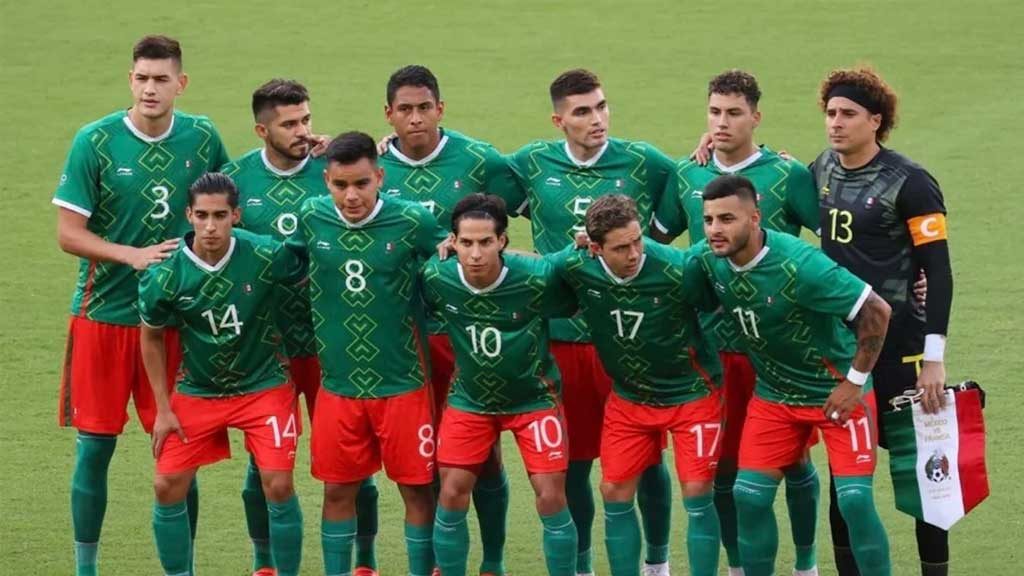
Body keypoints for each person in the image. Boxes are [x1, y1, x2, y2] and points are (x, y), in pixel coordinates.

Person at [52, 34, 229, 576]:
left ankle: (184, 568)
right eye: (142, 78)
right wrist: (130, 255)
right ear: (130, 80)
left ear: (181, 83)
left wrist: (307, 151)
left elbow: (235, 197)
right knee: (94, 447)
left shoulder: (202, 137)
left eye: (161, 79)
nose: (151, 88)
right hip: (103, 317)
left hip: (175, 322)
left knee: (180, 453)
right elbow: (68, 233)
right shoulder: (96, 140)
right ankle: (86, 568)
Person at [504, 68, 677, 576]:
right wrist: (387, 148)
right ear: (559, 120)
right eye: (582, 111)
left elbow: (693, 183)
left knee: (647, 461)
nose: (597, 119)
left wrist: (713, 149)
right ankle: (581, 566)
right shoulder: (532, 162)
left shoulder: (643, 161)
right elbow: (471, 178)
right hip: (563, 341)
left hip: (630, 339)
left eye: (601, 106)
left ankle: (657, 564)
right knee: (574, 463)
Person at [652, 70, 821, 576]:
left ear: (756, 117)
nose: (722, 122)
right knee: (723, 465)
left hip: (780, 347)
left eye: (733, 113)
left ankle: (807, 565)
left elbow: (835, 241)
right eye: (714, 112)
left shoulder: (787, 174)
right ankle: (738, 566)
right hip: (713, 346)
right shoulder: (687, 174)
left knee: (794, 461)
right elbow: (658, 245)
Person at [690, 174, 893, 576]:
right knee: (748, 496)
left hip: (835, 393)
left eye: (727, 219)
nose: (715, 230)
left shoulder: (801, 265)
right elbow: (657, 263)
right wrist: (591, 247)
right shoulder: (708, 260)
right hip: (775, 396)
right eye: (708, 220)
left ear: (755, 218)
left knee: (854, 501)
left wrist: (854, 382)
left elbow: (876, 310)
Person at [221, 79, 380, 576]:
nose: (302, 131)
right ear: (261, 130)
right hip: (267, 348)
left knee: (354, 462)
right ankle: (264, 562)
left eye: (306, 119)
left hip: (335, 342)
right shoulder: (235, 179)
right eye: (289, 123)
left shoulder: (331, 172)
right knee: (262, 465)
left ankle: (365, 560)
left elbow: (377, 200)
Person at [378, 65, 520, 575]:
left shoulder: (479, 159)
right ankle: (443, 562)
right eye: (405, 109)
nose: (416, 118)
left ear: (440, 108)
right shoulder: (374, 168)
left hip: (471, 334)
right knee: (429, 456)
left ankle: (494, 561)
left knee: (485, 454)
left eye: (424, 107)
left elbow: (539, 202)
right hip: (403, 339)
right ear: (389, 114)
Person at [812, 66, 955, 576]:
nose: (835, 123)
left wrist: (933, 360)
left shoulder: (911, 183)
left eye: (848, 114)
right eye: (830, 112)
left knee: (925, 476)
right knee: (845, 482)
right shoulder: (821, 169)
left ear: (876, 120)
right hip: (844, 351)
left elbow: (939, 271)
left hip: (902, 352)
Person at [286, 132, 443, 576]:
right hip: (338, 386)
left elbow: (452, 260)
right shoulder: (312, 216)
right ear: (326, 181)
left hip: (404, 383)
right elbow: (285, 265)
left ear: (380, 177)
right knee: (337, 491)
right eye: (340, 185)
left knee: (417, 491)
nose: (351, 196)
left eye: (361, 183)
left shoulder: (412, 220)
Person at [139, 173, 306, 576]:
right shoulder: (165, 274)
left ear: (236, 215)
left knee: (278, 484)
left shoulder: (264, 254)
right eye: (202, 216)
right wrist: (163, 409)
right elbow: (151, 337)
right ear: (188, 216)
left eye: (219, 216)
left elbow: (314, 263)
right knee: (166, 485)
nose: (210, 226)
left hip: (263, 385)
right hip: (199, 389)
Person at [551, 194, 724, 576]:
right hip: (630, 396)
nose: (633, 254)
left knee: (697, 492)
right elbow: (532, 271)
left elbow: (720, 300)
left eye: (637, 241)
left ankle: (665, 566)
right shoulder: (575, 265)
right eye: (620, 248)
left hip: (691, 393)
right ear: (594, 248)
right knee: (614, 492)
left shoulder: (678, 268)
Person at [422, 193, 578, 576]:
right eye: (466, 242)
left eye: (485, 242)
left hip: (534, 400)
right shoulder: (437, 276)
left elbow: (569, 286)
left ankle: (495, 564)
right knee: (451, 492)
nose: (475, 253)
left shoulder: (536, 278)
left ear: (503, 241)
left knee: (551, 496)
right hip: (470, 400)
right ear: (452, 241)